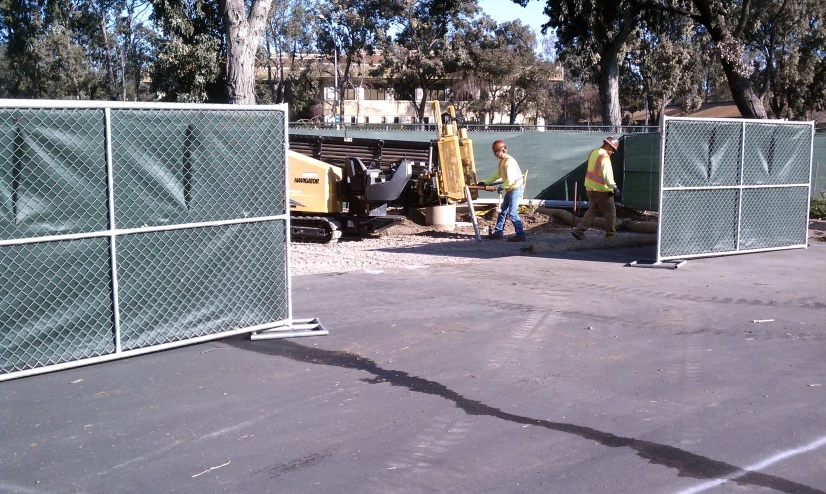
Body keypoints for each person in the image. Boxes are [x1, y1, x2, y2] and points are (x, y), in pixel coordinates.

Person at [477, 140, 527, 242]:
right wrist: (485, 182)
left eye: (495, 152)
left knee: (512, 213)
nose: (495, 155)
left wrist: (502, 187)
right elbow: (496, 175)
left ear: (501, 150)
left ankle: (521, 235)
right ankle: (498, 233)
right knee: (503, 212)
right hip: (511, 189)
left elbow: (511, 179)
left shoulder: (509, 162)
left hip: (516, 189)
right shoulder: (502, 162)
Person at [571, 136, 620, 240]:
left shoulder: (593, 152)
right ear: (608, 145)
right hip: (602, 190)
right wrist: (614, 188)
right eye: (613, 149)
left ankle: (579, 230)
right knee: (610, 213)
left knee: (593, 210)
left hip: (590, 188)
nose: (613, 152)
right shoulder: (604, 157)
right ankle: (611, 235)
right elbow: (607, 175)